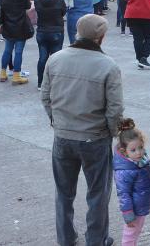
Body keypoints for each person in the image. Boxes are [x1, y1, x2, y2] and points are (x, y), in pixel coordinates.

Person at [40, 13, 123, 246]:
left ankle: (66, 239)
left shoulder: (55, 59)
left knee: (64, 194)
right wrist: (112, 133)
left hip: (64, 136)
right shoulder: (108, 66)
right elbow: (114, 110)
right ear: (101, 37)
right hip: (94, 138)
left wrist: (57, 122)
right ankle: (96, 240)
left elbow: (46, 96)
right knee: (98, 194)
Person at [113, 118, 150, 246]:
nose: (139, 152)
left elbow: (148, 180)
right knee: (130, 234)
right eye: (133, 150)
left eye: (141, 147)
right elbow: (123, 195)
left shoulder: (141, 162)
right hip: (133, 209)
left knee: (136, 232)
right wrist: (128, 213)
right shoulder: (125, 170)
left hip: (141, 205)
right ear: (123, 151)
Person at [0, 0, 33, 85]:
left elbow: (0, 6)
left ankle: (3, 73)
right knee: (18, 51)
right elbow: (28, 7)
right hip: (21, 26)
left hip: (7, 25)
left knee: (7, 50)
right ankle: (16, 75)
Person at [35, 0, 66, 90]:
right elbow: (63, 12)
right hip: (56, 31)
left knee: (42, 58)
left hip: (42, 31)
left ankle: (40, 83)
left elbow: (37, 10)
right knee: (56, 59)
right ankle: (55, 83)